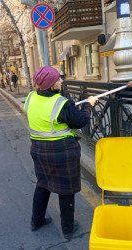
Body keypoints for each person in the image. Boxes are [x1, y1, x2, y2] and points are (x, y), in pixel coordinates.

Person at [23, 66, 98, 240]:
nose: (61, 81)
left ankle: (37, 221)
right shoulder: (61, 103)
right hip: (62, 152)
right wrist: (89, 104)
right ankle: (68, 228)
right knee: (66, 190)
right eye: (58, 79)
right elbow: (80, 121)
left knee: (42, 185)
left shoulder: (31, 97)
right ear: (52, 84)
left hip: (39, 150)